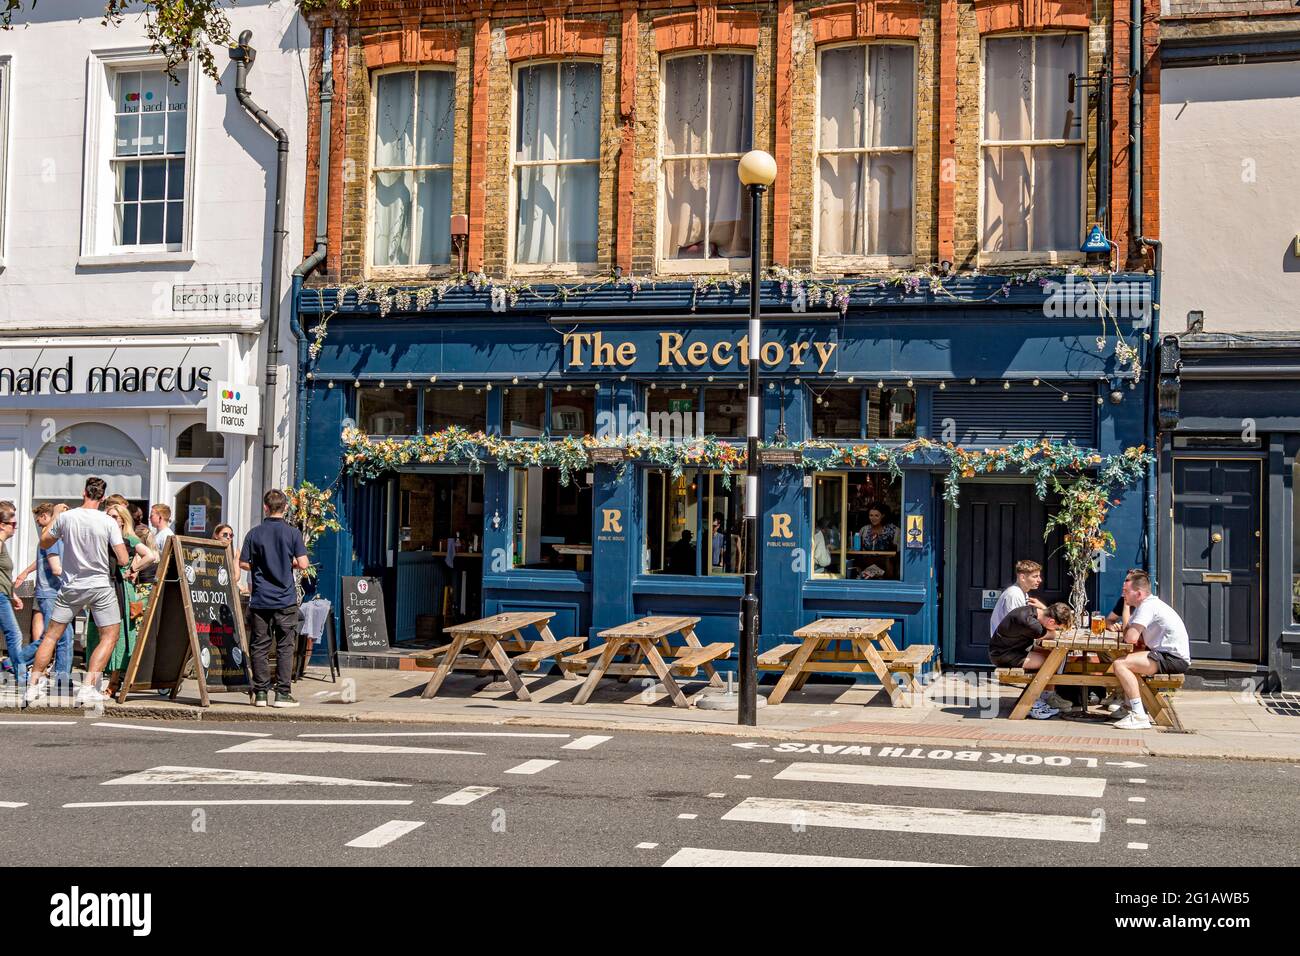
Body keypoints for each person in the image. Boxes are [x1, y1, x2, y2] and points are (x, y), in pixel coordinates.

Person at [24, 478, 131, 707]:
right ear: (102, 498)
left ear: (83, 492)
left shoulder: (66, 518)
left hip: (71, 586)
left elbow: (44, 542)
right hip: (100, 586)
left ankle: (33, 685)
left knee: (51, 635)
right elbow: (123, 559)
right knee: (110, 635)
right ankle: (89, 686)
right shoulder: (107, 521)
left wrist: (54, 515)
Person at [239, 489, 309, 708]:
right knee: (285, 646)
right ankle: (282, 694)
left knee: (259, 645)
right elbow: (304, 564)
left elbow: (243, 563)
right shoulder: (293, 533)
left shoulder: (254, 533)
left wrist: (261, 566)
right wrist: (289, 564)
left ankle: (260, 694)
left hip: (260, 599)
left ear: (265, 507)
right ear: (285, 508)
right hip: (284, 599)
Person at [85, 503, 157, 696]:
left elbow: (150, 555)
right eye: (108, 516)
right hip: (101, 587)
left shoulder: (128, 538)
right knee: (97, 633)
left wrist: (133, 569)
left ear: (123, 519)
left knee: (120, 636)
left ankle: (113, 683)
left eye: (115, 516)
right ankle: (96, 680)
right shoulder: (102, 536)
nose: (111, 519)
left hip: (121, 590)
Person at [1109, 569, 1192, 730]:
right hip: (1167, 655)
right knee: (1127, 659)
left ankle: (1139, 715)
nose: (1123, 594)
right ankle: (1129, 707)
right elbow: (1129, 633)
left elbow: (1130, 637)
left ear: (1138, 593)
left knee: (1120, 664)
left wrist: (1125, 609)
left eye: (1126, 591)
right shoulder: (1145, 606)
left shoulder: (1147, 607)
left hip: (1172, 658)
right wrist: (1126, 608)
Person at [14, 503, 69, 688]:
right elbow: (55, 568)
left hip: (50, 593)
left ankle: (61, 677)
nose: (37, 522)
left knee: (55, 637)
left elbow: (40, 561)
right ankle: (17, 661)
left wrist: (25, 572)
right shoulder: (52, 538)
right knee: (58, 637)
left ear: (46, 515)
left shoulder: (49, 538)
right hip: (52, 592)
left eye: (38, 517)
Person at [988, 601, 1074, 719]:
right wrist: (1053, 632)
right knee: (1051, 661)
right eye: (1058, 628)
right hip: (1004, 655)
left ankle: (1046, 696)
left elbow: (1049, 630)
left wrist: (1051, 629)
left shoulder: (1033, 611)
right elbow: (1052, 635)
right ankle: (1032, 702)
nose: (1057, 630)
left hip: (1013, 649)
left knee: (1054, 657)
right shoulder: (1032, 624)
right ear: (1051, 622)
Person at [0, 501, 29, 686]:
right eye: (13, 524)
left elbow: (3, 574)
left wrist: (14, 595)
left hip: (4, 595)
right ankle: (22, 677)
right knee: (14, 634)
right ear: (2, 525)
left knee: (13, 634)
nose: (16, 527)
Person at [989, 560, 1048, 635]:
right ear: (1022, 577)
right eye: (1035, 576)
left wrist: (1043, 608)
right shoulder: (1014, 595)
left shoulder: (1022, 593)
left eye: (1039, 576)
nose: (1040, 580)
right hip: (1007, 644)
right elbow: (1017, 624)